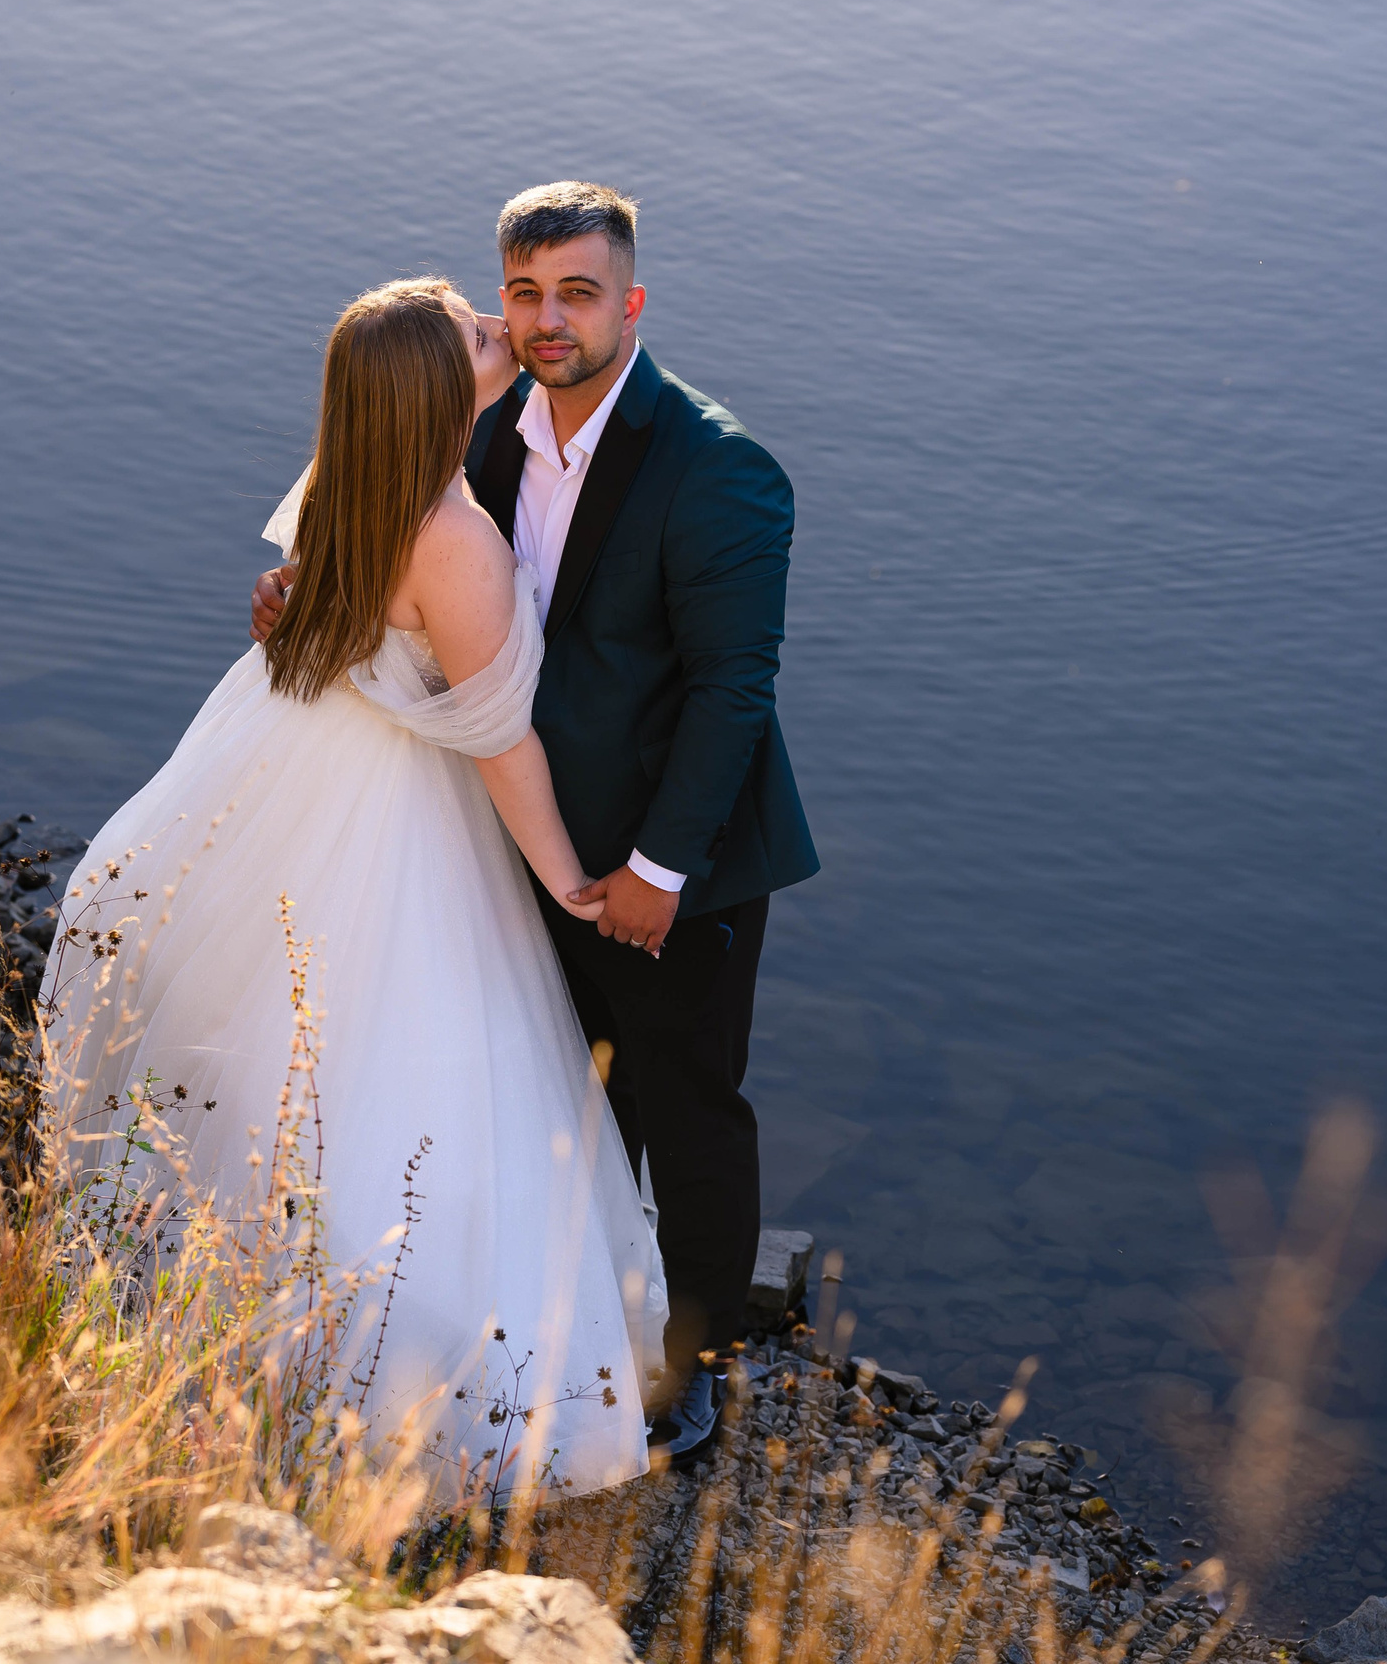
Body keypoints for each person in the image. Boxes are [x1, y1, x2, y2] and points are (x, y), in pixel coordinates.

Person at [49, 277, 665, 1500]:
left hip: (291, 756)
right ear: (440, 393)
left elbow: (307, 606)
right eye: (480, 334)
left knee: (290, 1042)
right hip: (397, 808)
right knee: (412, 1056)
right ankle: (410, 1380)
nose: (504, 332)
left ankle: (240, 1321)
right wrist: (565, 878)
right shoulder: (455, 535)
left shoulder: (348, 479)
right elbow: (500, 738)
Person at [254, 184, 817, 1460]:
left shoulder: (718, 467)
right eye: (522, 293)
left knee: (690, 1108)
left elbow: (734, 690)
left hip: (673, 860)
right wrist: (310, 594)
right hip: (522, 841)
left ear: (630, 300)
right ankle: (578, 1335)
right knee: (563, 1092)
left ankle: (698, 1369)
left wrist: (659, 869)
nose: (546, 319)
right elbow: (405, 564)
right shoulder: (490, 430)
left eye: (574, 291)